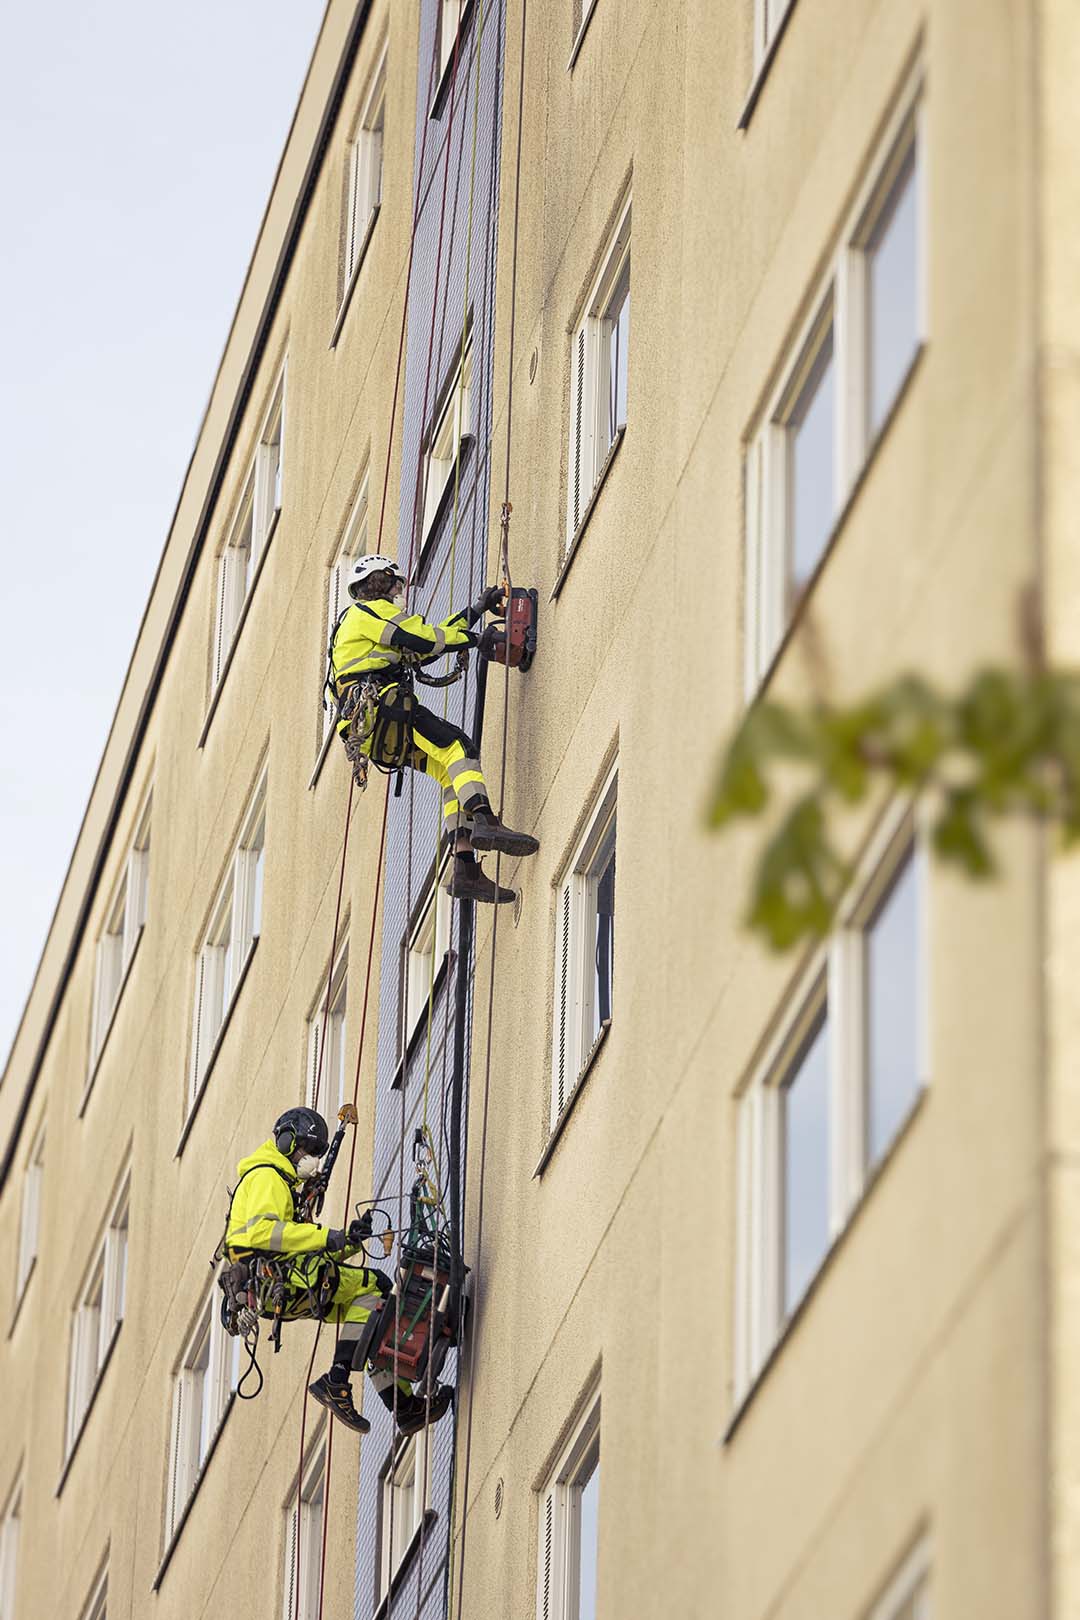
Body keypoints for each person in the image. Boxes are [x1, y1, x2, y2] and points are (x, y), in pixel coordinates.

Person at [223, 1107, 451, 1436]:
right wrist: (331, 1237)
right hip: (273, 1276)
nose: (312, 1159)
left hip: (281, 1285)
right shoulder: (267, 1175)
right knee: (375, 1287)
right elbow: (265, 1234)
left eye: (317, 1153)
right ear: (287, 1142)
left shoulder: (282, 1184)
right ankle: (337, 1380)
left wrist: (349, 1242)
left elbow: (300, 1244)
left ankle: (404, 1407)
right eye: (307, 1150)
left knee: (373, 1317)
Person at [326, 553, 539, 904]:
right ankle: (485, 819)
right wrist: (476, 640)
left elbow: (425, 647)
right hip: (381, 706)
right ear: (382, 581)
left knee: (447, 772)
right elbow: (424, 641)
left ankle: (465, 867)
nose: (399, 592)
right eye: (396, 584)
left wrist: (475, 611)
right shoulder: (368, 613)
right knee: (460, 747)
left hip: (368, 730)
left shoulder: (360, 624)